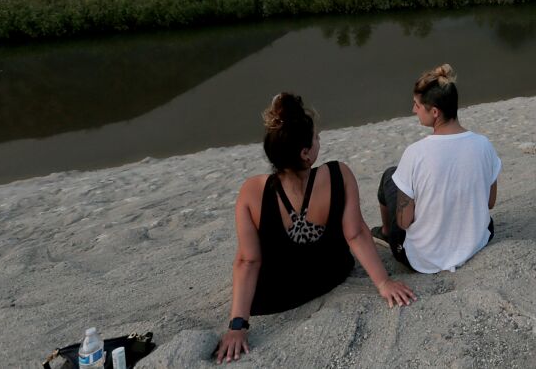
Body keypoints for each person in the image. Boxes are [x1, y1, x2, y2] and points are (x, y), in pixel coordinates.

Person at [215, 93, 415, 364]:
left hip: (275, 296)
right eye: (316, 137)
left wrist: (237, 326)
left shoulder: (251, 191)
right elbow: (355, 233)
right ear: (305, 153)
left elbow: (247, 260)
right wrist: (383, 282)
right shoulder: (338, 174)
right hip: (330, 275)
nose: (319, 141)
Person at [375, 65, 501, 274]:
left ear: (434, 112)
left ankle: (386, 233)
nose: (413, 110)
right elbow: (490, 202)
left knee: (391, 175)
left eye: (416, 105)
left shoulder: (415, 153)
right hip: (474, 244)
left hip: (423, 259)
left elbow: (405, 222)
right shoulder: (484, 145)